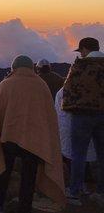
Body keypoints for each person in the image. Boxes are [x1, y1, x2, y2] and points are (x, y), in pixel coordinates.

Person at [0, 55, 65, 213]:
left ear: (14, 68)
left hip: (9, 139)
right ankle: (24, 208)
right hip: (34, 141)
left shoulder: (5, 85)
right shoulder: (41, 86)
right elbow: (49, 115)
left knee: (4, 172)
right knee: (29, 177)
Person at [62, 37, 104, 205]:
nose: (81, 53)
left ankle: (75, 190)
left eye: (81, 50)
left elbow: (68, 89)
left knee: (78, 154)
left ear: (85, 49)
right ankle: (101, 190)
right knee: (102, 154)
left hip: (81, 115)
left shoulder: (80, 65)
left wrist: (68, 108)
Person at [55, 88, 97, 188]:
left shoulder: (63, 91)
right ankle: (83, 183)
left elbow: (58, 114)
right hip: (83, 130)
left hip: (68, 130)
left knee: (72, 157)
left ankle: (75, 186)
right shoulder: (93, 87)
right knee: (81, 157)